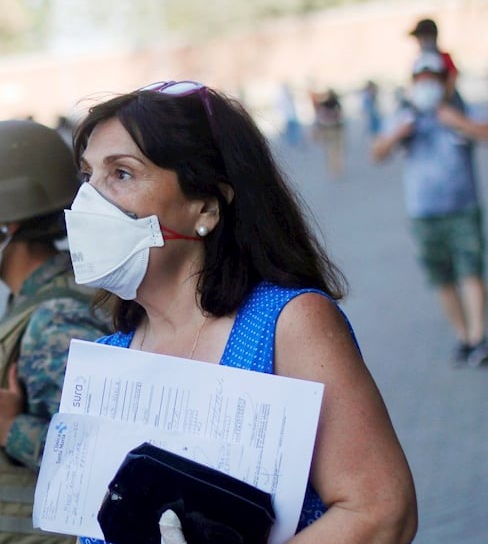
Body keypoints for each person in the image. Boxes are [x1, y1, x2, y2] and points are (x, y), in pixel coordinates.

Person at [67, 81, 416, 543]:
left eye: (123, 174)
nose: (89, 201)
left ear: (206, 206)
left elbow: (380, 513)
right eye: (88, 176)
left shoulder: (285, 324)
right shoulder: (107, 359)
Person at [0, 119, 113, 544]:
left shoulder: (56, 318)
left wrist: (10, 429)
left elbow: (106, 465)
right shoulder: (43, 297)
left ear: (3, 221)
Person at [372, 53, 488, 368]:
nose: (426, 86)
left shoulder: (460, 109)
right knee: (443, 278)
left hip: (463, 207)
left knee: (471, 271)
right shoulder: (404, 116)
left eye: (432, 80)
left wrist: (457, 122)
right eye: (420, 80)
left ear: (443, 82)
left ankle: (479, 337)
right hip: (424, 214)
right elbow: (377, 152)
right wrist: (397, 135)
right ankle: (464, 337)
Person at [409, 17, 462, 105]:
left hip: (443, 103)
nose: (419, 42)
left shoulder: (443, 57)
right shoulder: (419, 61)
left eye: (421, 38)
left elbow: (453, 76)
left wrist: (446, 96)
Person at [310, 88, 345, 177]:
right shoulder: (337, 104)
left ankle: (333, 168)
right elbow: (340, 116)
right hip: (336, 129)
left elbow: (320, 118)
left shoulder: (324, 105)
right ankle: (337, 168)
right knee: (337, 150)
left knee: (330, 150)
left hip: (328, 129)